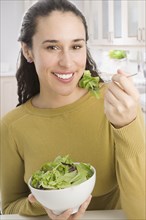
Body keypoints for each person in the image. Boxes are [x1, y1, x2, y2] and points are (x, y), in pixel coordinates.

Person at [0, 0, 145, 219]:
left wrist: (127, 125)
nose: (67, 63)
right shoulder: (12, 127)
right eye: (52, 47)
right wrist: (41, 205)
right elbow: (9, 208)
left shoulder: (117, 105)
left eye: (76, 46)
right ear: (28, 51)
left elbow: (142, 211)